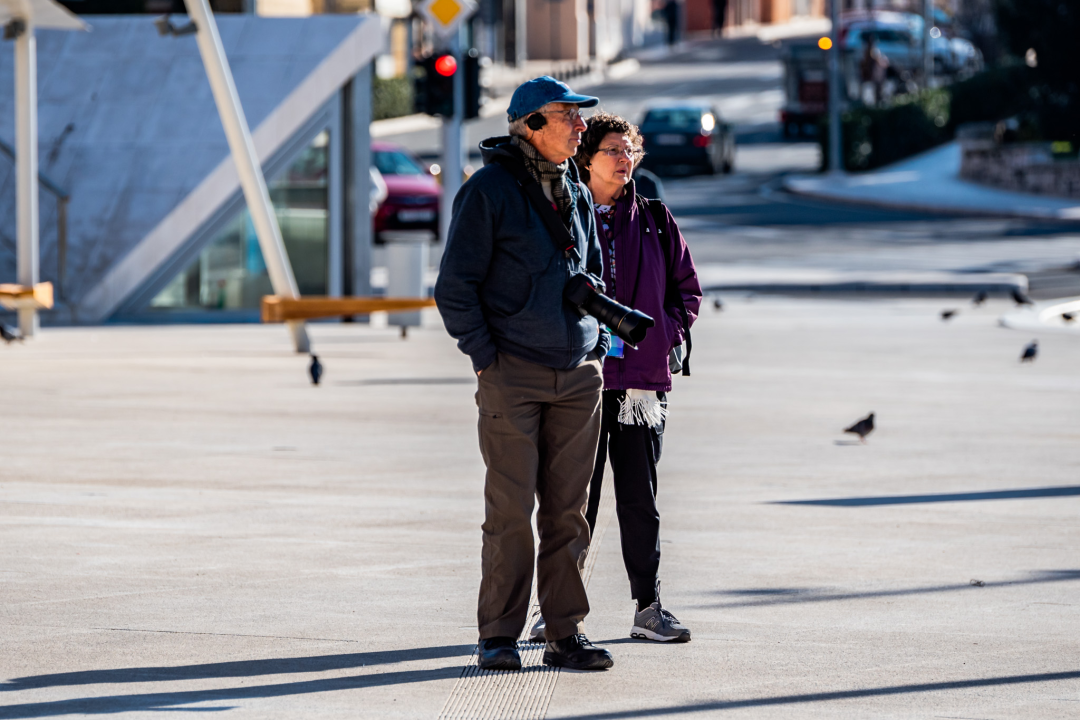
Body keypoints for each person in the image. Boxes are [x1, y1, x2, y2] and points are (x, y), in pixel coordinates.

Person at [433, 77, 614, 672]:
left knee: (569, 513)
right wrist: (487, 356)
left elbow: (592, 278)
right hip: (512, 371)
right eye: (569, 117)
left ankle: (564, 633)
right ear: (531, 124)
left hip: (578, 374)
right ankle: (499, 635)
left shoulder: (577, 191)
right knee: (510, 511)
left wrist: (599, 343)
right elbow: (454, 287)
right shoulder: (488, 191)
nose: (582, 127)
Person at [579, 111, 702, 642]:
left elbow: (687, 289)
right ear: (587, 158)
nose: (624, 158)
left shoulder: (654, 216)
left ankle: (648, 609)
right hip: (578, 379)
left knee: (639, 499)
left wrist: (665, 333)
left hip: (640, 385)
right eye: (612, 150)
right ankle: (554, 610)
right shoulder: (568, 215)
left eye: (629, 149)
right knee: (572, 503)